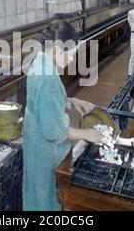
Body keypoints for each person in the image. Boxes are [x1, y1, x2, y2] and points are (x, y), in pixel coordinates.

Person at [23, 19, 103, 211]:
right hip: (46, 152)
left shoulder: (40, 62)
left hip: (34, 144)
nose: (71, 60)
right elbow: (54, 132)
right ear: (58, 49)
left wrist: (71, 102)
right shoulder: (48, 77)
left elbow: (42, 101)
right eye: (71, 54)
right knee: (46, 200)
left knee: (34, 193)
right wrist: (86, 134)